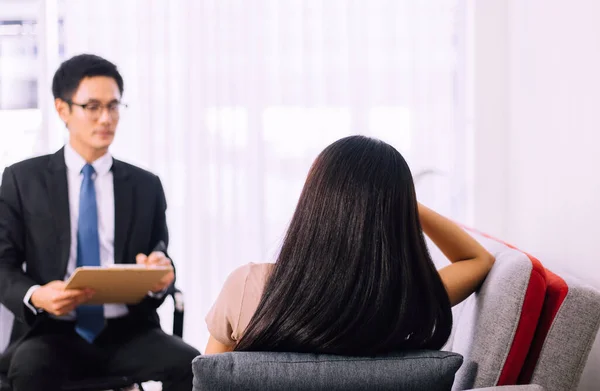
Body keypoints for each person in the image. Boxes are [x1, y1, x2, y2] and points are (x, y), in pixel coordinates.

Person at [0, 54, 199, 391]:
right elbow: (3, 264)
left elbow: (160, 258)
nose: (106, 118)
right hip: (53, 331)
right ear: (63, 110)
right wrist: (36, 295)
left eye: (113, 106)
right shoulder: (23, 180)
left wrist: (159, 274)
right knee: (29, 370)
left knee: (192, 365)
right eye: (92, 106)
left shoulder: (145, 185)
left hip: (128, 330)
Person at [205, 135, 495, 355]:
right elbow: (477, 259)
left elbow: (211, 382)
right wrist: (397, 200)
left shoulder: (247, 286)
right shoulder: (408, 299)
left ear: (314, 202)